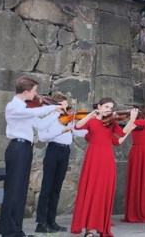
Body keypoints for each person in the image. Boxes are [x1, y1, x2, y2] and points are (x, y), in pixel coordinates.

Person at [0, 76, 68, 237]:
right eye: (35, 91)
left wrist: (57, 113)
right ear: (25, 92)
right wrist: (53, 107)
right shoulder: (13, 106)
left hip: (25, 148)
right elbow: (33, 112)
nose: (37, 95)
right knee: (14, 190)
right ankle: (11, 231)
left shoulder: (26, 108)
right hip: (17, 147)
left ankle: (13, 229)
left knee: (20, 190)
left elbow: (41, 124)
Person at [70, 98, 137, 237]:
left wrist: (132, 119)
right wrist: (91, 114)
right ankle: (89, 230)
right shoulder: (92, 121)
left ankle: (102, 228)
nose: (109, 110)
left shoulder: (111, 123)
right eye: (106, 106)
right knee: (91, 191)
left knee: (103, 193)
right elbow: (77, 126)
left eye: (111, 108)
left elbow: (121, 134)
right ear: (99, 106)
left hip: (107, 161)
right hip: (93, 160)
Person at [34, 94, 87, 233]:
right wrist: (61, 129)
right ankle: (41, 223)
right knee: (46, 188)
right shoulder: (50, 118)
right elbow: (43, 136)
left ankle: (52, 221)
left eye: (66, 105)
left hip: (65, 152)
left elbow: (81, 132)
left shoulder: (69, 118)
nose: (66, 107)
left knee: (56, 188)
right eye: (63, 105)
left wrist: (90, 120)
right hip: (53, 150)